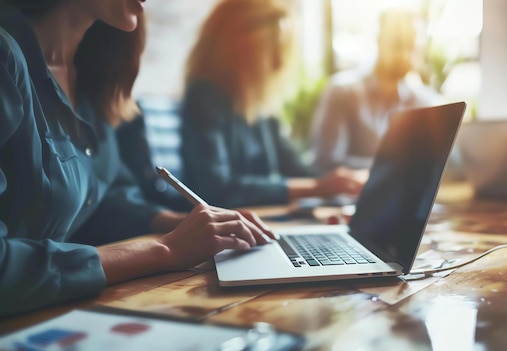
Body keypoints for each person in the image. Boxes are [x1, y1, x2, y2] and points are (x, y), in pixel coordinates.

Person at [0, 0, 274, 317]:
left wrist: (198, 226)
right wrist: (165, 249)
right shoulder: (6, 57)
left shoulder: (91, 71)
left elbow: (102, 201)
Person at [181, 0, 365, 209]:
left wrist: (339, 181)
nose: (279, 62)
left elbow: (294, 167)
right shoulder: (204, 97)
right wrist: (316, 187)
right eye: (273, 46)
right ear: (241, 45)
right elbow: (218, 190)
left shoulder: (258, 104)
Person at [310, 6, 444, 172]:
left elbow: (444, 163)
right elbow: (327, 162)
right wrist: (395, 170)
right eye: (397, 44)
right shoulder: (342, 91)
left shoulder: (426, 101)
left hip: (405, 195)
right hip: (352, 196)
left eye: (412, 46)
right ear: (379, 41)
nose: (405, 55)